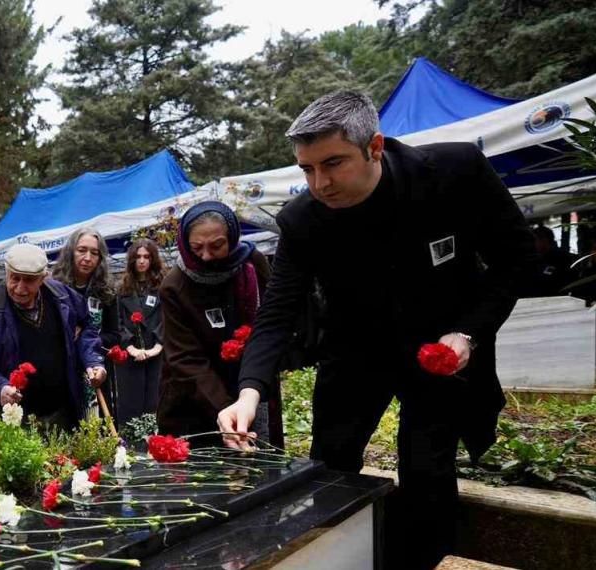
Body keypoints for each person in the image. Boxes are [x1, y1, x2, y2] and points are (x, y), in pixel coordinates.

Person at [218, 91, 538, 569]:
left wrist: (468, 332)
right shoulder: (302, 220)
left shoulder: (454, 172)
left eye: (332, 163)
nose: (319, 183)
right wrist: (249, 392)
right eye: (307, 169)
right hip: (355, 354)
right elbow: (277, 312)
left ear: (374, 147)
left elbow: (517, 260)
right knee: (330, 466)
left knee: (427, 470)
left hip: (439, 351)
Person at [0, 244, 107, 432]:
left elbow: (87, 329)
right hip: (11, 419)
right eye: (14, 278)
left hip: (61, 413)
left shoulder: (62, 298)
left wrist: (92, 360)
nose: (20, 288)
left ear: (43, 278)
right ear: (6, 272)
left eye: (29, 280)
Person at [158, 202, 272, 447]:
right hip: (197, 396)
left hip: (252, 383)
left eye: (217, 245)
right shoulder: (174, 286)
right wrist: (228, 411)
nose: (206, 256)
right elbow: (185, 358)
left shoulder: (252, 263)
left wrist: (250, 394)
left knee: (263, 469)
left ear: (232, 236)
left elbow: (273, 321)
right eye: (197, 247)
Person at [51, 228, 120, 419]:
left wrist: (87, 337)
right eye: (82, 250)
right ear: (71, 251)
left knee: (98, 431)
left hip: (96, 372)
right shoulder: (53, 288)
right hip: (62, 372)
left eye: (94, 252)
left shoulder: (106, 292)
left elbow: (115, 335)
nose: (87, 257)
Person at [113, 238, 166, 428]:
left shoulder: (163, 287)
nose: (142, 261)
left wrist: (158, 346)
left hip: (156, 353)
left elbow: (167, 318)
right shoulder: (121, 290)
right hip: (130, 356)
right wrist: (131, 347)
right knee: (130, 405)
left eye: (146, 257)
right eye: (138, 257)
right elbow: (116, 322)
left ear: (153, 260)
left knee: (155, 402)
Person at [529, 225, 576, 297]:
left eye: (535, 240)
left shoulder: (561, 257)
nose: (533, 244)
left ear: (544, 240)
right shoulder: (538, 258)